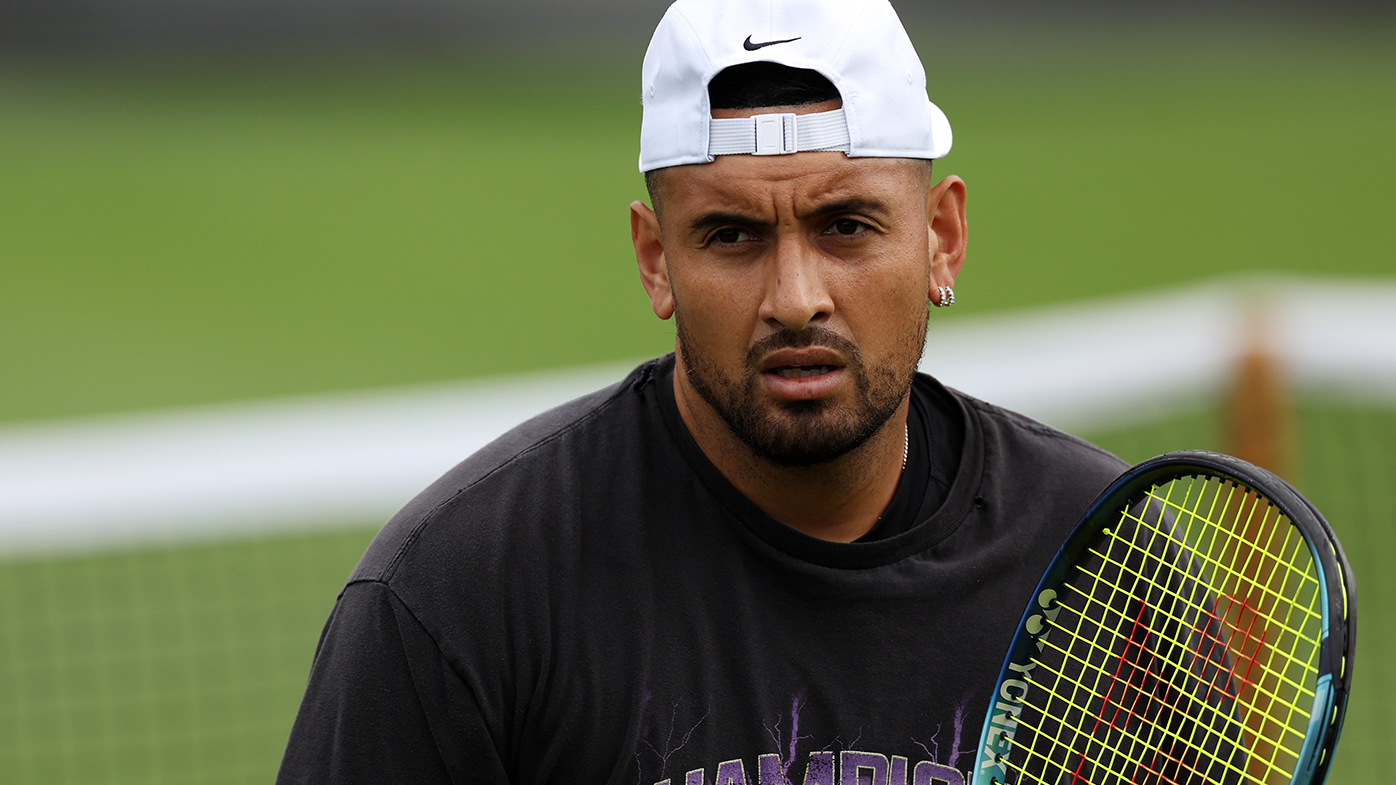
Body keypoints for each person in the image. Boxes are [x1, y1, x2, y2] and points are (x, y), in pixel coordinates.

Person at [276, 0, 1127, 782]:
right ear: (656, 261)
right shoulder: (460, 596)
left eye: (847, 226)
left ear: (941, 237)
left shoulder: (1109, 566)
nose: (797, 298)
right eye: (731, 235)